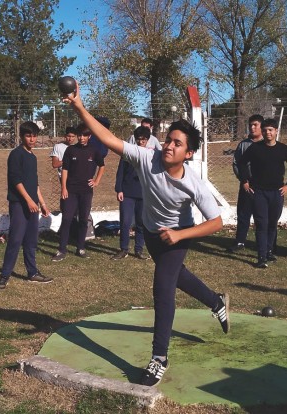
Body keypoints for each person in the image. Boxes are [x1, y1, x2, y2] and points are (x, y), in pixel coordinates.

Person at [63, 83, 229, 387]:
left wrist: (181, 237)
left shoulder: (193, 184)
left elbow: (217, 221)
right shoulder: (146, 157)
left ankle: (159, 358)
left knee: (162, 288)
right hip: (152, 233)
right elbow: (108, 138)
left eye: (177, 144)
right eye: (168, 140)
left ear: (188, 153)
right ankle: (216, 302)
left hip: (177, 234)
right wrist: (78, 106)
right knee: (179, 278)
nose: (168, 146)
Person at [0, 121, 52, 289]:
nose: (32, 139)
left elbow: (35, 184)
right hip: (20, 204)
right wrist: (28, 200)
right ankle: (4, 276)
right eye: (28, 136)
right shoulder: (16, 154)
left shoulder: (32, 157)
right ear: (21, 136)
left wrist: (42, 203)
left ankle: (32, 272)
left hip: (33, 205)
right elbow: (16, 181)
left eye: (34, 136)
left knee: (31, 240)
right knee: (16, 239)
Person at [237, 118, 287, 268]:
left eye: (270, 130)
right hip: (259, 192)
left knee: (272, 223)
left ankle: (270, 251)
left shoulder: (283, 149)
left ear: (276, 131)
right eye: (264, 130)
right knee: (261, 224)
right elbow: (242, 162)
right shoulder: (255, 148)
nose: (267, 133)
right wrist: (245, 181)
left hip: (277, 193)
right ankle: (261, 257)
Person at [51, 123, 105, 261]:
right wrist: (64, 188)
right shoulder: (71, 150)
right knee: (67, 219)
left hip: (86, 191)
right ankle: (61, 250)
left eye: (84, 135)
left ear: (89, 136)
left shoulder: (94, 150)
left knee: (83, 220)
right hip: (71, 191)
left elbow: (102, 166)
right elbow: (65, 170)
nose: (81, 138)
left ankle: (80, 248)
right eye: (80, 135)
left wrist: (96, 181)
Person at [111, 126, 150, 260]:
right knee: (125, 222)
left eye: (144, 140)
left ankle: (139, 249)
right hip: (127, 192)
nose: (141, 142)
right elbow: (120, 172)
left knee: (141, 223)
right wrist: (119, 189)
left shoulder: (151, 155)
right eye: (138, 139)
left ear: (148, 140)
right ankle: (123, 249)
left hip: (144, 193)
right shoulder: (127, 153)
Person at [227, 114, 264, 253]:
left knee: (262, 216)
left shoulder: (266, 144)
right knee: (243, 214)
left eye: (255, 125)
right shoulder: (243, 145)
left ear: (262, 127)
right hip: (246, 185)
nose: (252, 127)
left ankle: (264, 244)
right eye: (250, 125)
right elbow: (236, 163)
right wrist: (243, 180)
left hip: (263, 187)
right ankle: (240, 242)